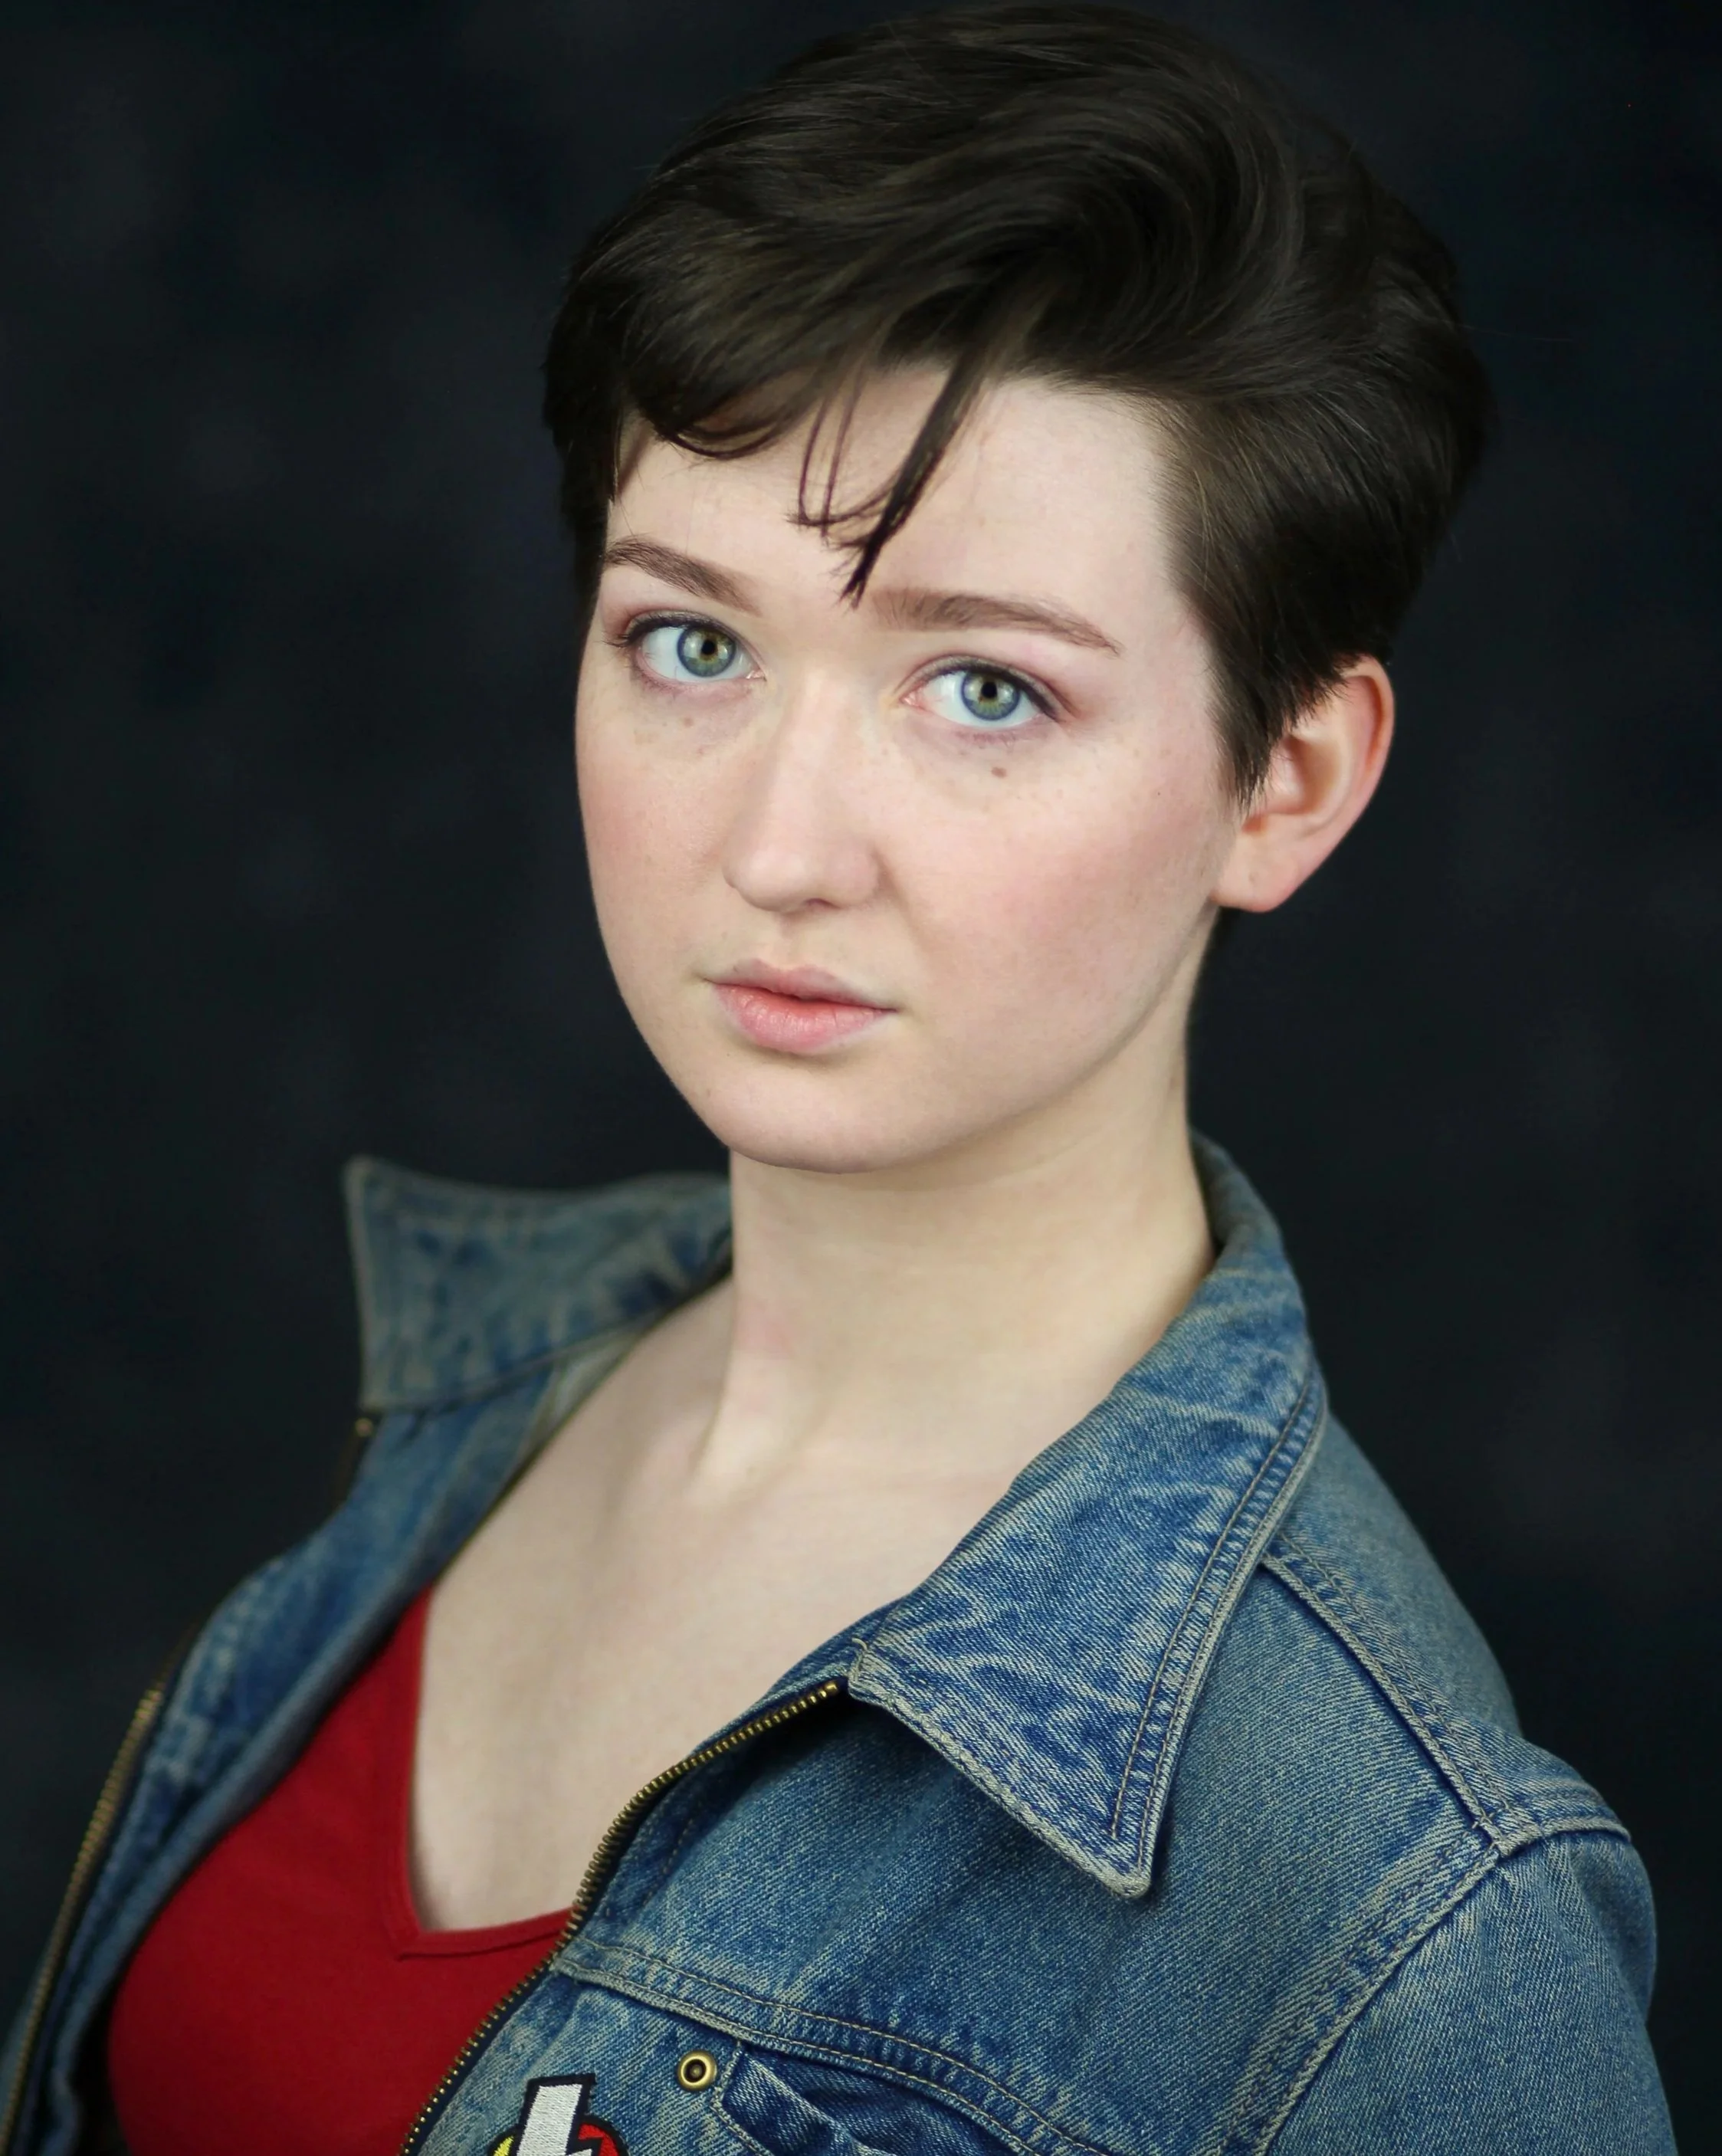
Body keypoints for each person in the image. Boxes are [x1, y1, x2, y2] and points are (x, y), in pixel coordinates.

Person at [1, 6, 1675, 2152]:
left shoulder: (1400, 1914)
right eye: (689, 640)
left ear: (1289, 776)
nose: (780, 845)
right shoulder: (471, 1400)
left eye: (983, 688)